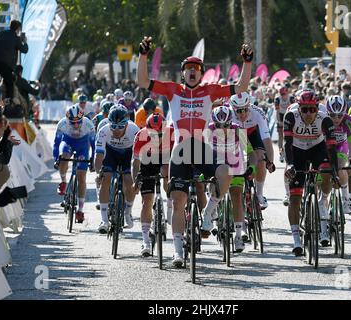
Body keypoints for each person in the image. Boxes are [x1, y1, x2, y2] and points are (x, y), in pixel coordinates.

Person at [137, 35, 253, 267]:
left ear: (201, 73)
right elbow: (142, 81)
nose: (192, 71)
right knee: (178, 202)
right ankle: (178, 252)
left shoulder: (209, 91)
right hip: (180, 151)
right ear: (183, 73)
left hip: (201, 148)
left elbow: (241, 87)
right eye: (188, 68)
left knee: (226, 173)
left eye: (197, 69)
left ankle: (209, 213)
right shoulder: (172, 90)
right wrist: (143, 56)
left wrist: (247, 62)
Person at [284, 90, 338, 255]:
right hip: (297, 151)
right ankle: (296, 239)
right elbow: (287, 143)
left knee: (327, 173)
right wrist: (290, 164)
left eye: (312, 109)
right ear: (299, 108)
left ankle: (322, 203)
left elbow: (331, 148)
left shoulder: (325, 119)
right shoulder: (291, 117)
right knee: (294, 197)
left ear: (317, 108)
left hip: (317, 149)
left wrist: (334, 171)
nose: (309, 113)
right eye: (305, 109)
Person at [205, 105, 249, 252]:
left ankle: (238, 235)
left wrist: (252, 167)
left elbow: (249, 151)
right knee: (212, 187)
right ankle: (212, 211)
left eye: (226, 125)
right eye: (219, 125)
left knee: (236, 195)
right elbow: (201, 152)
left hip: (235, 164)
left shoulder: (237, 129)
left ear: (232, 122)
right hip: (216, 165)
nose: (223, 128)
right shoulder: (209, 130)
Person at [132, 113, 172, 256]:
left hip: (165, 160)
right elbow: (135, 163)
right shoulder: (140, 136)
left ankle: (170, 205)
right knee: (147, 201)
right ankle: (145, 241)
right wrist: (135, 180)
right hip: (147, 161)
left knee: (167, 171)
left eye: (160, 134)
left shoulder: (172, 133)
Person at [95, 105, 139, 233]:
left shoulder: (135, 131)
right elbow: (99, 156)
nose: (117, 130)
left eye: (121, 126)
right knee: (105, 179)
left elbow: (136, 161)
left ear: (127, 124)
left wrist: (136, 179)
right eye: (113, 126)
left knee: (129, 181)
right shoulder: (103, 131)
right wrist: (98, 173)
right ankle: (104, 220)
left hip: (128, 154)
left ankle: (127, 212)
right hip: (111, 153)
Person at [228, 92, 275, 210]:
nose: (242, 113)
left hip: (252, 132)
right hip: (236, 133)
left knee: (261, 159)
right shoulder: (228, 113)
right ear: (233, 109)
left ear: (249, 106)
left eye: (245, 109)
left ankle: (259, 194)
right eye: (238, 111)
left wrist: (270, 161)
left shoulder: (257, 112)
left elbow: (266, 139)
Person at [53, 105, 95, 223]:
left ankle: (80, 210)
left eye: (78, 122)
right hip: (68, 143)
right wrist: (57, 159)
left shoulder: (88, 125)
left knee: (82, 177)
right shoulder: (62, 124)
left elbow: (94, 145)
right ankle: (63, 182)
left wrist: (93, 160)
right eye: (73, 123)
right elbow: (56, 144)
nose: (76, 125)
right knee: (64, 156)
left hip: (83, 146)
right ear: (67, 121)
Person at [325, 96, 351, 215]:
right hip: (326, 146)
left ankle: (346, 198)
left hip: (341, 146)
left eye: (340, 115)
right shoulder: (323, 118)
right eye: (332, 115)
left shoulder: (348, 121)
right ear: (327, 112)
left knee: (339, 166)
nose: (336, 118)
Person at [0, 20, 28, 102]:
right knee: (10, 83)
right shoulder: (16, 38)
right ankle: (9, 102)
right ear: (18, 29)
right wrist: (24, 42)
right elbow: (24, 50)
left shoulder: (2, 33)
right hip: (4, 63)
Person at [274, 87, 295, 163]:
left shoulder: (291, 98)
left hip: (289, 115)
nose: (283, 96)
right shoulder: (277, 99)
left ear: (287, 93)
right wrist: (279, 121)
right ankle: (281, 153)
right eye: (282, 94)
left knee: (290, 135)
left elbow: (293, 110)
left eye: (285, 94)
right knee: (280, 135)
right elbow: (277, 112)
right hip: (281, 115)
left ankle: (290, 151)